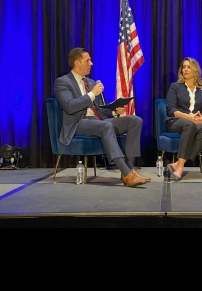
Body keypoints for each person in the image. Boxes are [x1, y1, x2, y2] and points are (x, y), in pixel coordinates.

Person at [53, 47, 149, 187]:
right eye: (88, 60)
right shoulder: (63, 82)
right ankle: (127, 174)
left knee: (135, 121)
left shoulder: (91, 83)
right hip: (78, 123)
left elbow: (100, 110)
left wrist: (115, 112)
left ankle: (128, 170)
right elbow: (69, 106)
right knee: (106, 125)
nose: (91, 63)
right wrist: (92, 94)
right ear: (77, 63)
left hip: (98, 122)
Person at [164, 57, 202, 182]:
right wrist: (189, 117)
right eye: (183, 67)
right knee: (189, 125)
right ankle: (180, 168)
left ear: (195, 70)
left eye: (188, 67)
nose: (185, 69)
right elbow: (171, 109)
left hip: (196, 122)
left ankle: (178, 163)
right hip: (176, 121)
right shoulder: (175, 86)